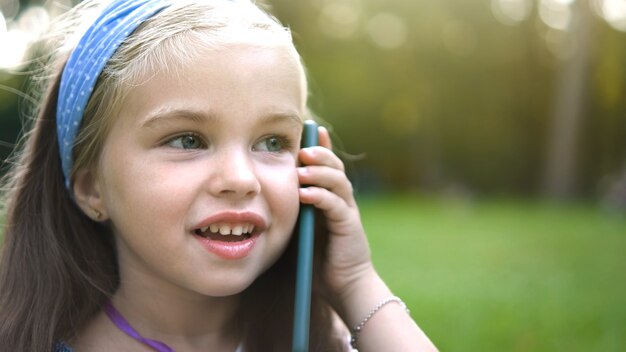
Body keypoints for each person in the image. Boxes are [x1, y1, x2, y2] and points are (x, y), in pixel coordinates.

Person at [0, 0, 438, 351]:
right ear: (92, 186)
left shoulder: (328, 342)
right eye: (188, 140)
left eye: (272, 143)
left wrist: (356, 282)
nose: (241, 178)